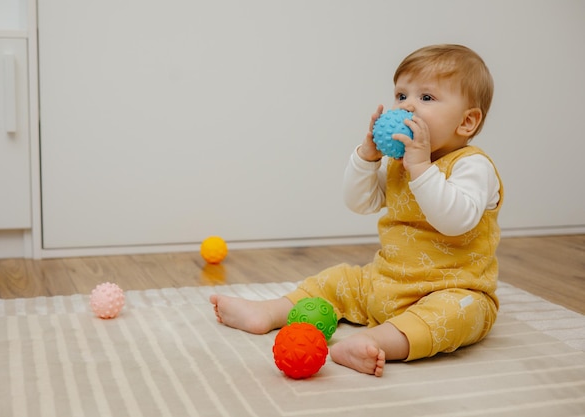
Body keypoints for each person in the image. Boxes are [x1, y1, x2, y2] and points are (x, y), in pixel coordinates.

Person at [209, 44, 503, 377]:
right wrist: (367, 157)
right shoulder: (399, 163)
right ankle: (269, 312)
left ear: (467, 121)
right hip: (386, 281)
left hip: (450, 289)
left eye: (426, 98)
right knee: (338, 280)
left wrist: (421, 167)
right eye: (401, 95)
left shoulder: (473, 166)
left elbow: (454, 221)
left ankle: (375, 341)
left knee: (461, 314)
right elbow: (359, 201)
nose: (407, 106)